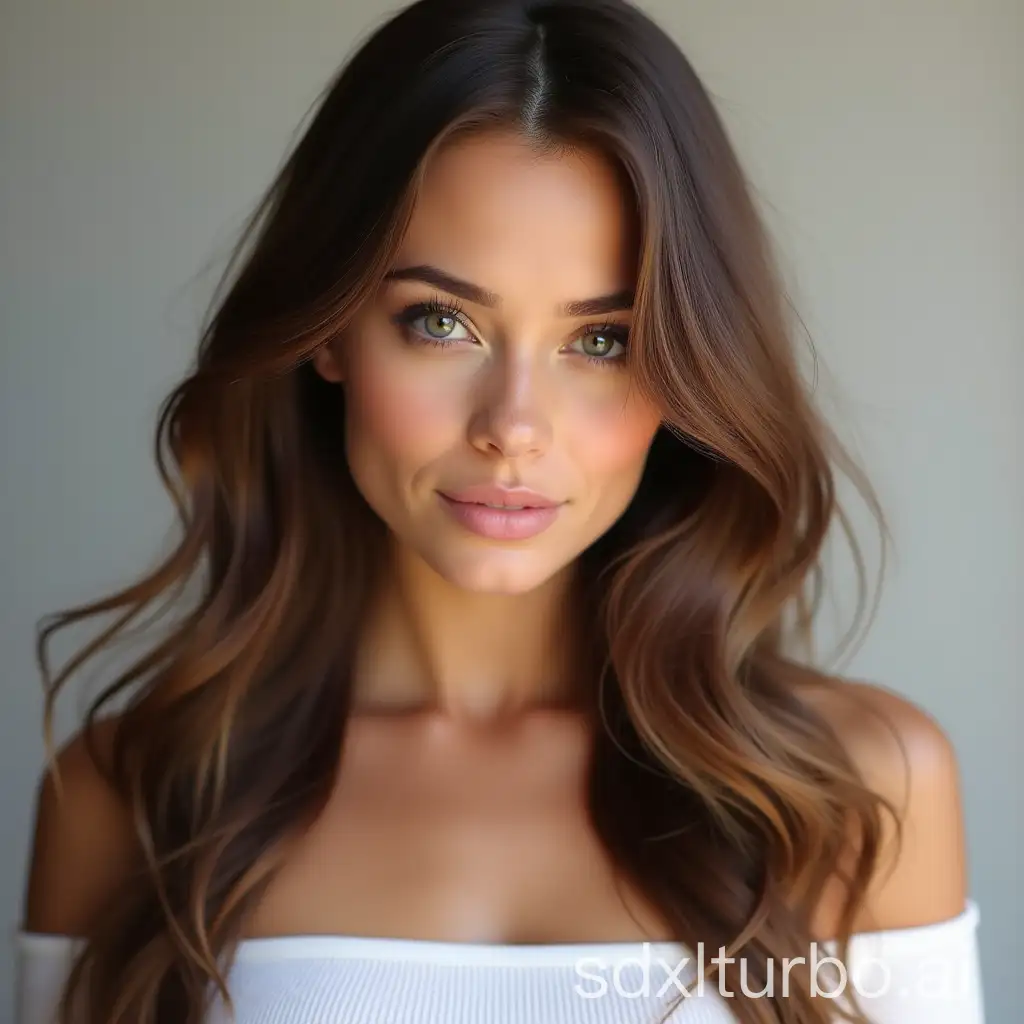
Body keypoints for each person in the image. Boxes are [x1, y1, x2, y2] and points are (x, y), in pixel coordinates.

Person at [14, 0, 984, 1022]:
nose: (512, 425)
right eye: (441, 322)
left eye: (601, 340)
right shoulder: (130, 798)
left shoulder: (856, 791)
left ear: (688, 374)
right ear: (332, 330)